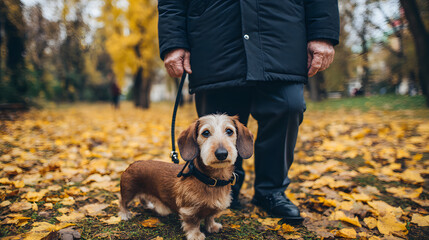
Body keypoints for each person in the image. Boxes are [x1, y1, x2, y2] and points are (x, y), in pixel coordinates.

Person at [158, 0, 339, 224]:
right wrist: (173, 41)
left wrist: (323, 32)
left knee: (287, 106)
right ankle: (224, 186)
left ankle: (271, 191)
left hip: (281, 33)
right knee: (216, 119)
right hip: (213, 34)